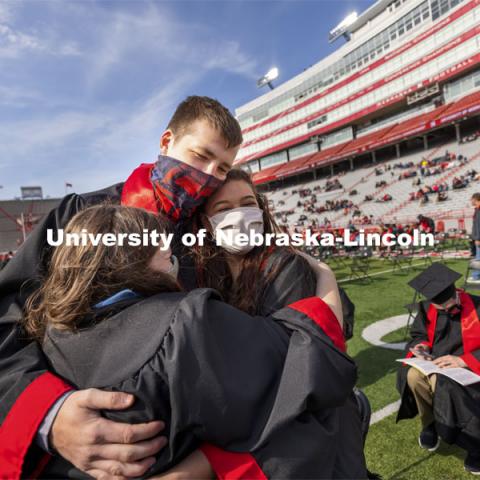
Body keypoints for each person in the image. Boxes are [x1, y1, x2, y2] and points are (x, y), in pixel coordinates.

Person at [0, 96, 243, 479]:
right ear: (166, 142)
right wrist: (51, 415)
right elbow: (6, 316)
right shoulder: (78, 216)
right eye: (199, 156)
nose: (208, 176)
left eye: (223, 168)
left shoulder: (211, 236)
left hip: (182, 448)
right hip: (71, 457)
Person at [27, 204, 360, 478]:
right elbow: (307, 362)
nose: (168, 253)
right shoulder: (188, 321)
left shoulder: (53, 333)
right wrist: (325, 277)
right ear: (126, 256)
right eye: (156, 246)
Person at [396, 263, 480, 475]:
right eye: (438, 306)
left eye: (446, 305)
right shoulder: (427, 308)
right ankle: (429, 425)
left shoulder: (478, 306)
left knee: (443, 384)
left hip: (470, 368)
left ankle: (475, 445)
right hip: (437, 363)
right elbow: (419, 335)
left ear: (455, 291)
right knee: (413, 376)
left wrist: (465, 360)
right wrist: (421, 346)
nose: (442, 310)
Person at [469, 193, 480, 283]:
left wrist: (477, 238)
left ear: (475, 199)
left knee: (478, 258)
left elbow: (478, 226)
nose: (470, 201)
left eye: (471, 199)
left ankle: (476, 276)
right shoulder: (477, 209)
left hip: (479, 238)